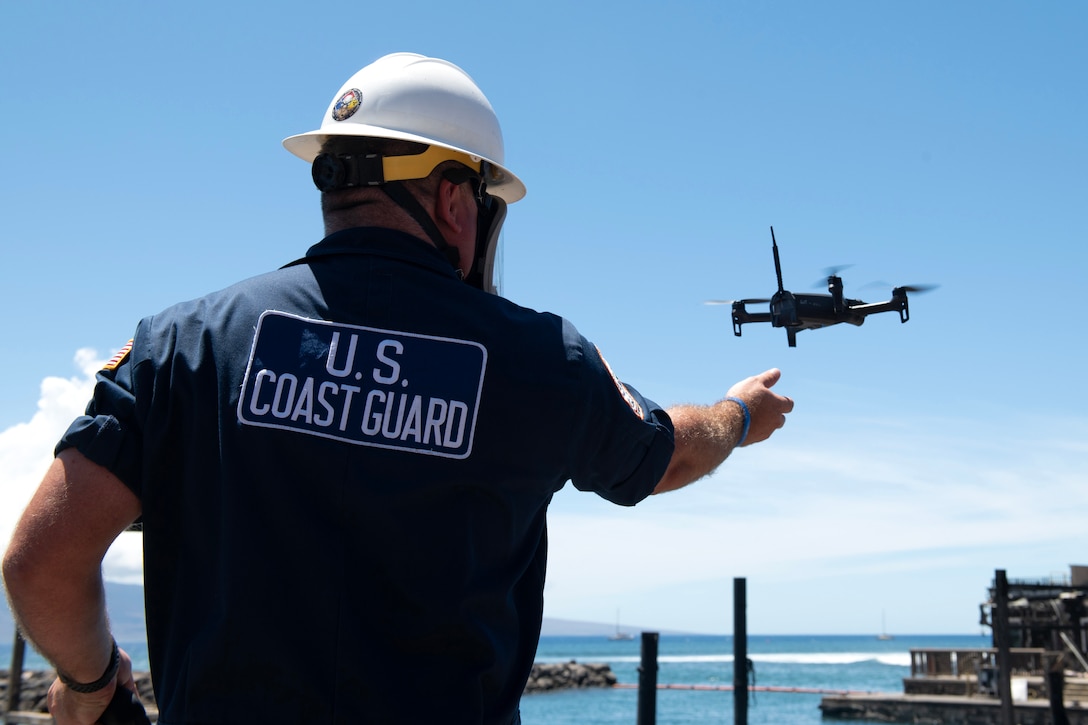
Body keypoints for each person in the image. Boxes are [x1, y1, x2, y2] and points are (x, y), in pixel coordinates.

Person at [2, 52, 793, 725]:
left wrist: (91, 686)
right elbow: (668, 456)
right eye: (486, 208)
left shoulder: (182, 344)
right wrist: (739, 413)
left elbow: (39, 560)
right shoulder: (539, 358)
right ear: (453, 198)